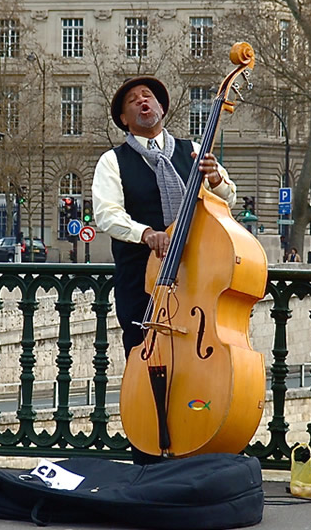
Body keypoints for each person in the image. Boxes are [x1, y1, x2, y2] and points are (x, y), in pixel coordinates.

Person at [91, 76, 236, 462]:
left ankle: (198, 441)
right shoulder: (113, 161)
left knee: (197, 364)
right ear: (124, 118)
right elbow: (107, 214)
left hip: (197, 279)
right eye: (134, 100)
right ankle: (149, 448)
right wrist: (147, 234)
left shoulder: (193, 152)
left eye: (149, 97)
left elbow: (229, 197)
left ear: (161, 108)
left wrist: (216, 178)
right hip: (142, 279)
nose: (143, 102)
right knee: (146, 359)